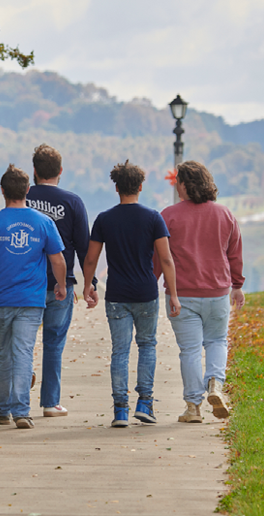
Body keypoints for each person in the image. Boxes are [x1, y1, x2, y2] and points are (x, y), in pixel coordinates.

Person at [82, 160, 181, 428]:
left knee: (120, 351)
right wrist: (173, 294)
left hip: (116, 294)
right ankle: (145, 403)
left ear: (116, 188)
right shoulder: (153, 218)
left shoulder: (104, 219)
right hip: (146, 293)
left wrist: (87, 285)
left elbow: (91, 259)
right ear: (140, 186)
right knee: (147, 345)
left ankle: (120, 411)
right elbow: (167, 259)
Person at [0, 164, 68, 429]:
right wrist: (61, 285)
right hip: (30, 300)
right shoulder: (44, 222)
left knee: (3, 354)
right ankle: (21, 411)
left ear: (2, 190)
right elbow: (57, 259)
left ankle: (2, 409)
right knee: (23, 353)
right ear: (27, 190)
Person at [154, 160, 245, 423]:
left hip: (182, 294)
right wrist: (237, 285)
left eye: (177, 183)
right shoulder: (225, 214)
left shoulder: (168, 215)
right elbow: (234, 254)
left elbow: (159, 257)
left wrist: (153, 279)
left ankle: (193, 407)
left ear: (183, 184)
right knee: (217, 340)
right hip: (217, 291)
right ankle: (215, 382)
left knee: (190, 350)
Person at [25, 144, 96, 417]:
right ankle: (50, 403)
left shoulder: (23, 197)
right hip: (60, 284)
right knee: (54, 342)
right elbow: (83, 247)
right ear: (60, 171)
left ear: (34, 171)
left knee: (23, 339)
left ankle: (25, 374)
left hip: (26, 282)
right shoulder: (73, 202)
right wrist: (89, 284)